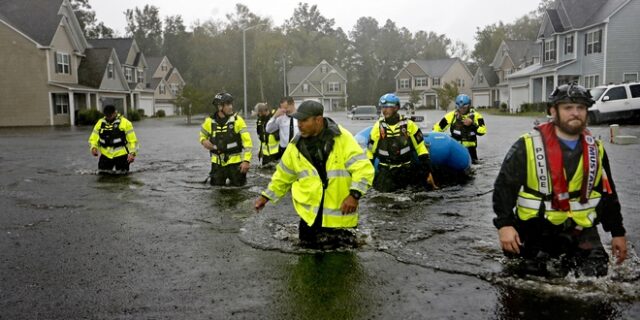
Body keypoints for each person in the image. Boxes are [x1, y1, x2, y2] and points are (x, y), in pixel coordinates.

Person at [493, 83, 627, 277]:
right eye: (568, 108)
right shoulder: (527, 145)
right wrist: (505, 226)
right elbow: (504, 188)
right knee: (529, 279)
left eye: (581, 108)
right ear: (553, 111)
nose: (575, 113)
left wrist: (617, 233)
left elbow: (608, 194)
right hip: (535, 229)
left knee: (596, 274)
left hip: (580, 229)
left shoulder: (596, 149)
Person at [254, 100, 375, 248]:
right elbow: (283, 176)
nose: (299, 125)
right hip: (310, 218)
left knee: (342, 266)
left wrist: (354, 195)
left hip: (340, 218)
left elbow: (363, 168)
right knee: (306, 263)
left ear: (318, 120)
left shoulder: (342, 138)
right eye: (298, 120)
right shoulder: (295, 145)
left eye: (304, 120)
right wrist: (266, 197)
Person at [367, 93, 433, 192]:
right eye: (382, 107)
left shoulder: (409, 125)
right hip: (386, 171)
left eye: (388, 107)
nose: (384, 110)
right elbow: (370, 153)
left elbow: (421, 149)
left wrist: (427, 172)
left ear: (396, 108)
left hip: (406, 169)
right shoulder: (378, 127)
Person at [199, 92, 252, 186]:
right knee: (217, 192)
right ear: (219, 107)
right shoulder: (209, 121)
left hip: (236, 165)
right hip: (217, 165)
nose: (231, 107)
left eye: (231, 104)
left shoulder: (238, 121)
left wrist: (246, 161)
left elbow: (248, 143)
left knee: (239, 192)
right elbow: (202, 135)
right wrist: (203, 141)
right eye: (228, 104)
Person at [432, 94, 486, 164]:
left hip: (470, 150)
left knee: (474, 165)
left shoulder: (477, 116)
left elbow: (483, 131)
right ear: (457, 106)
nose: (462, 110)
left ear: (469, 106)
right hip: (456, 149)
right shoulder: (451, 116)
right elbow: (438, 128)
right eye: (460, 108)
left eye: (464, 108)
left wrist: (472, 124)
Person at [88, 105, 138, 175]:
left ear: (115, 113)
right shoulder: (100, 123)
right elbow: (93, 138)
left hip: (121, 156)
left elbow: (133, 141)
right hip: (105, 156)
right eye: (107, 116)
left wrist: (132, 153)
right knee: (102, 177)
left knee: (123, 179)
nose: (108, 118)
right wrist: (93, 148)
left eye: (110, 116)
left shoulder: (125, 123)